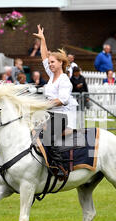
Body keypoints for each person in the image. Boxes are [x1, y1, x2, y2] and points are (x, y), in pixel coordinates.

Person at [33, 24, 78, 175]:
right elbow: (44, 56)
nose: (50, 64)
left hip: (63, 116)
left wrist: (44, 105)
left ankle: (59, 167)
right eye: (50, 62)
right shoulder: (52, 76)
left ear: (61, 63)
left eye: (53, 62)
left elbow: (62, 100)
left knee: (47, 135)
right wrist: (43, 40)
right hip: (51, 115)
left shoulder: (64, 80)